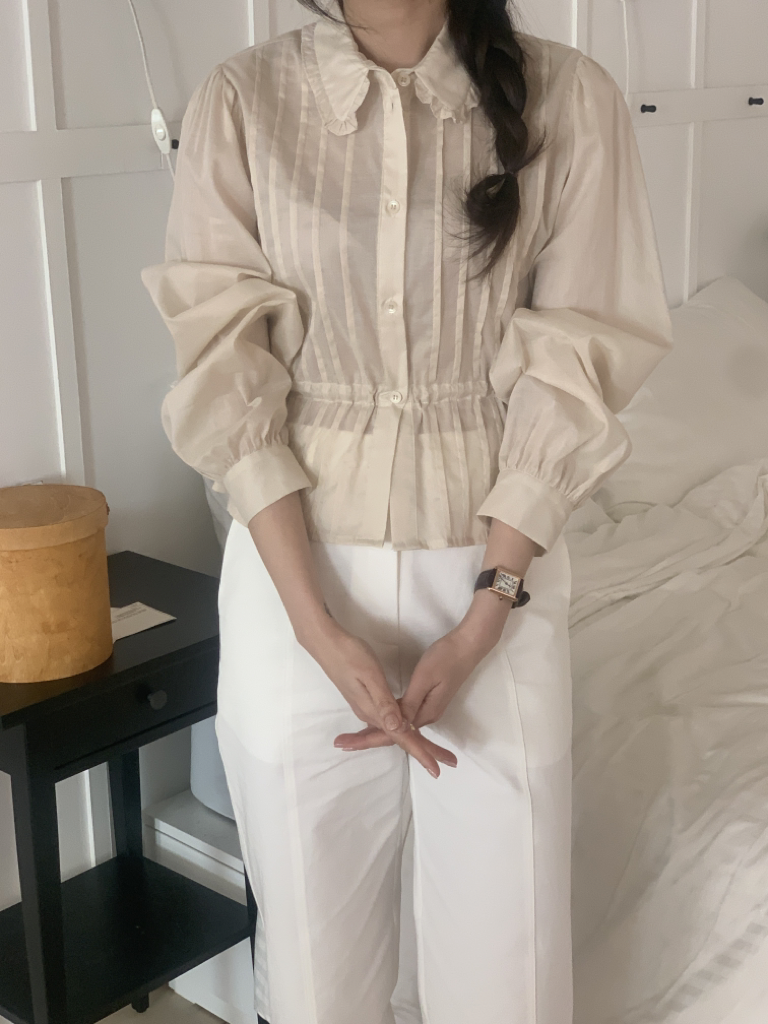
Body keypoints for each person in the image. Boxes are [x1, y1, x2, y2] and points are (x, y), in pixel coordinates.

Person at [141, 0, 673, 1020]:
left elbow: (578, 359)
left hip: (496, 585)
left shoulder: (571, 97)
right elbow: (224, 367)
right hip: (294, 583)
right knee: (315, 974)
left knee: (506, 974)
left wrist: (486, 614)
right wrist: (313, 624)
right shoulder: (244, 100)